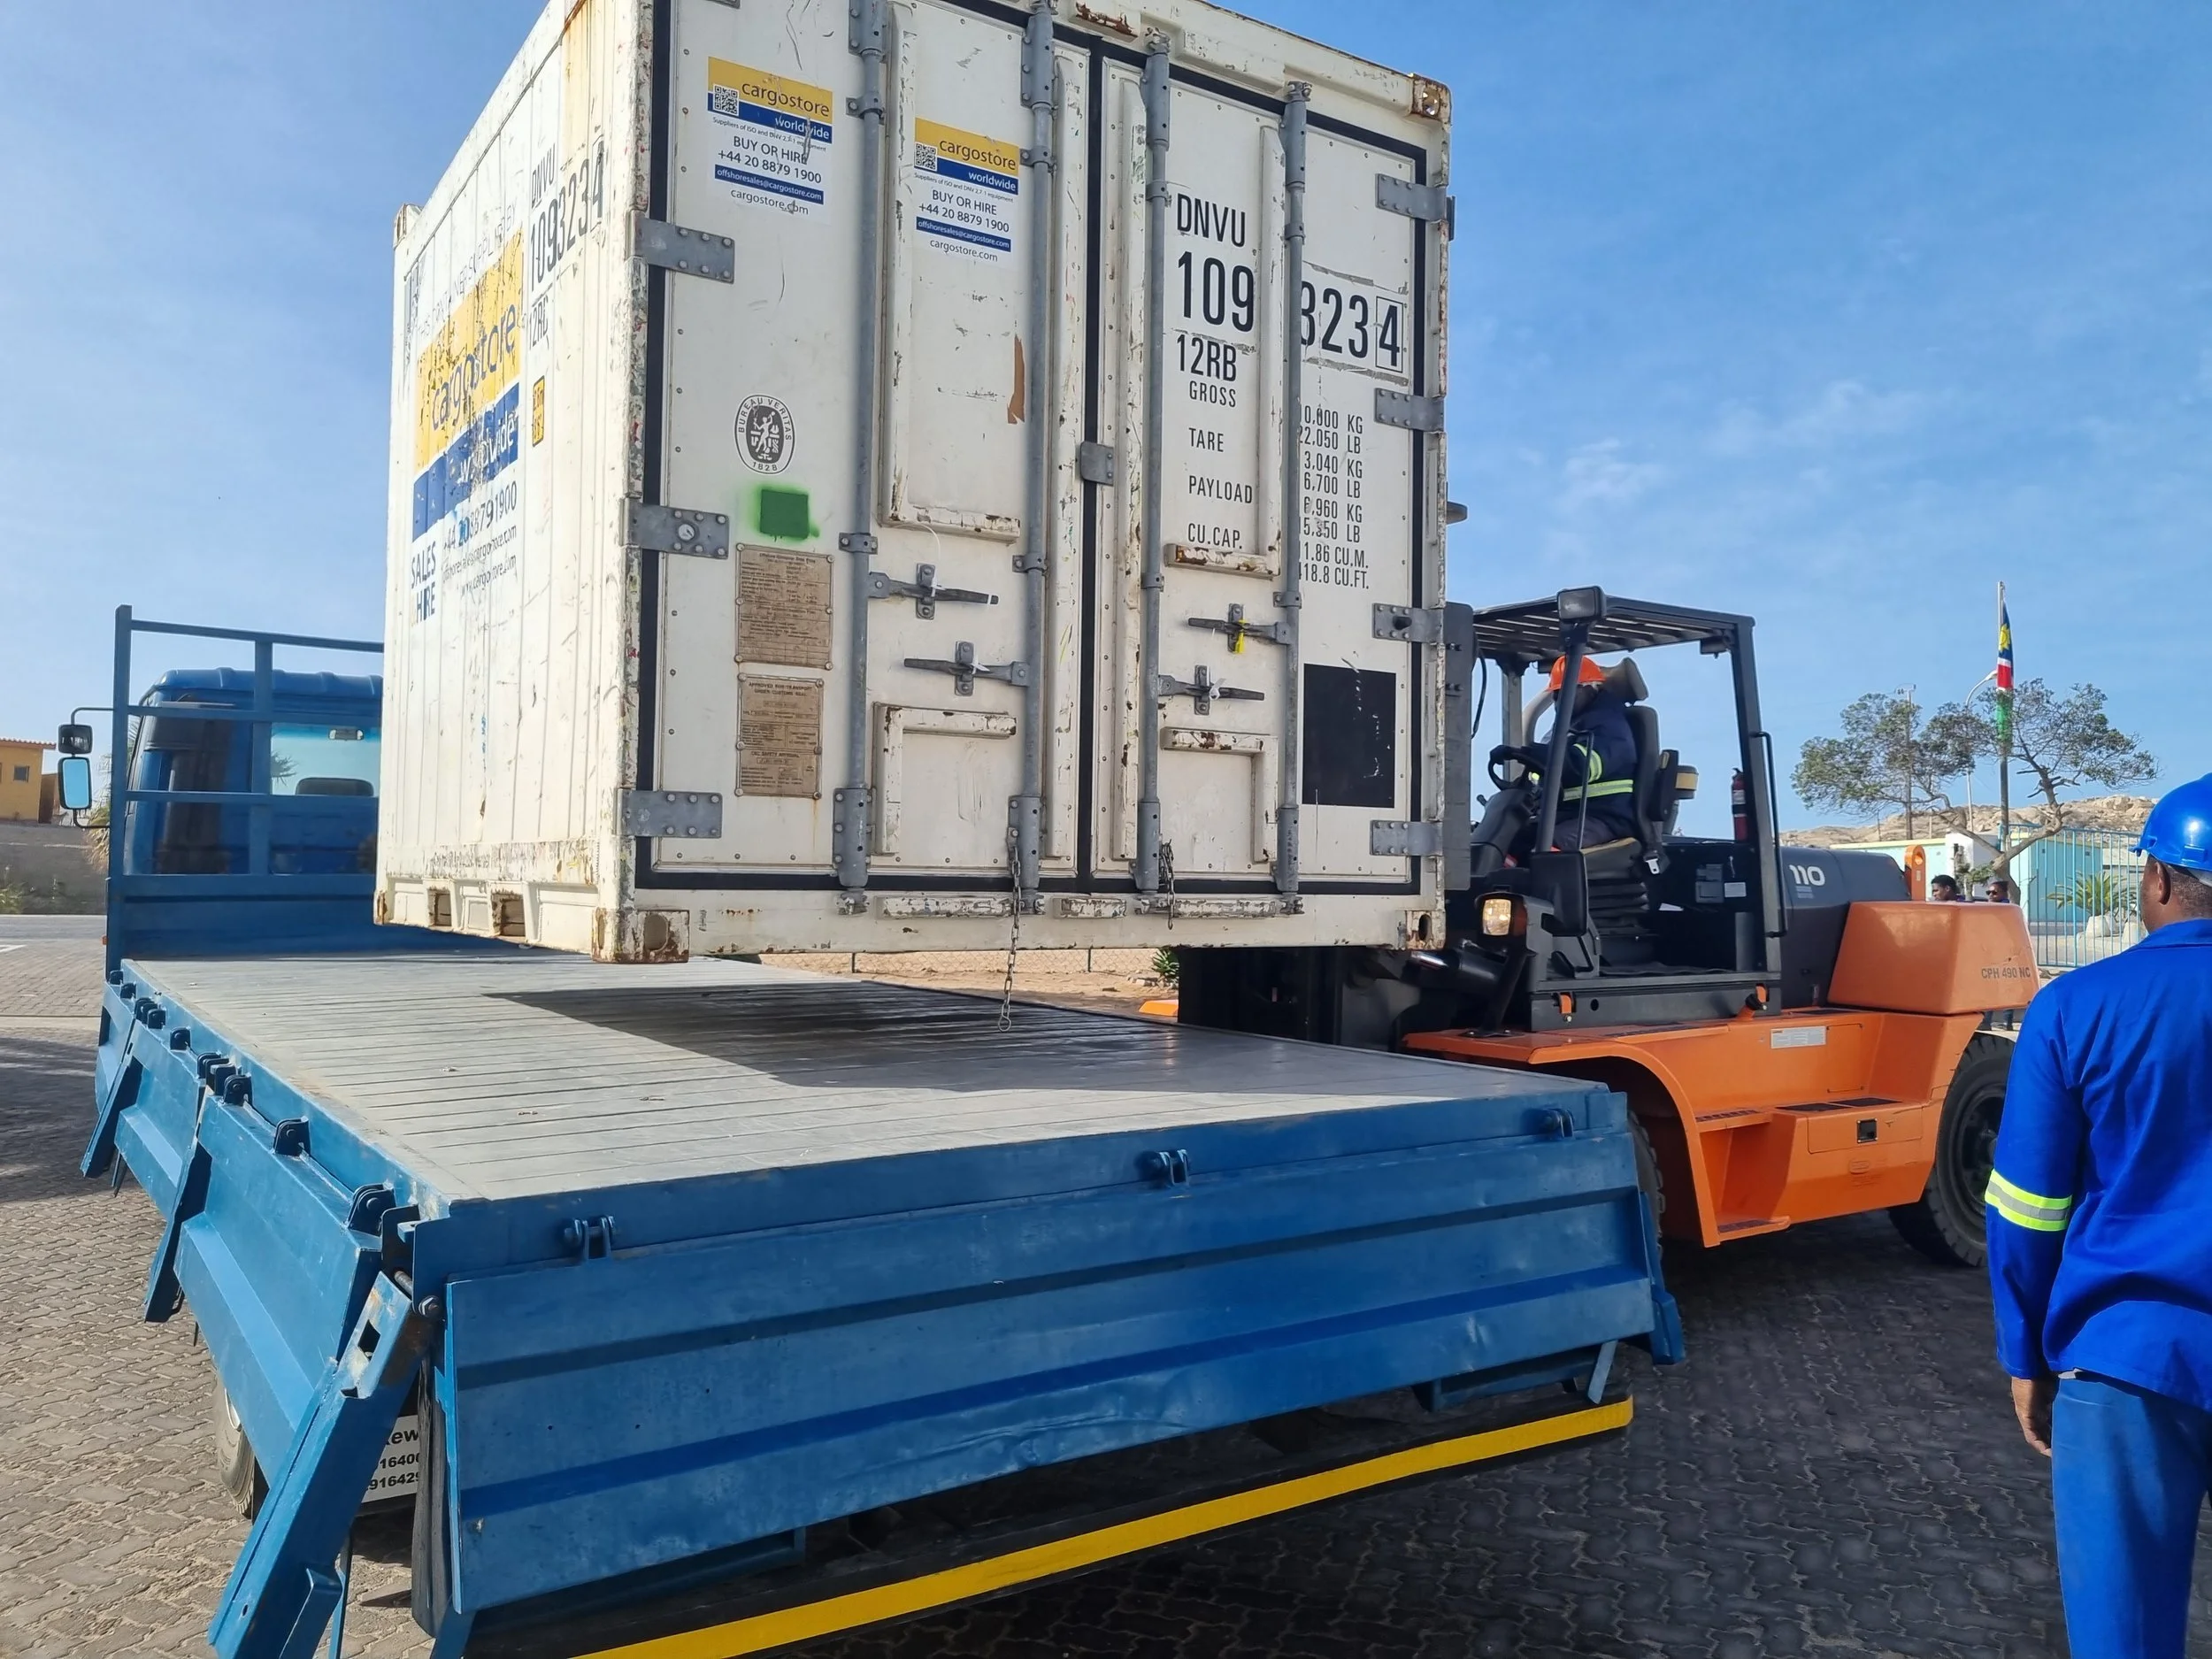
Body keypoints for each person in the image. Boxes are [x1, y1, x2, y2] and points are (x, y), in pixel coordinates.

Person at [1986, 772, 2212, 1659]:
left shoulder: (2072, 1009)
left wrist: (2023, 1352)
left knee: (2123, 1638)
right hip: (2132, 1363)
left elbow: (2026, 1211)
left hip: (2124, 1370)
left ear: (2156, 880)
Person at [1533, 657, 1640, 850]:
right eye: (1556, 694)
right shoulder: (1566, 725)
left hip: (1604, 817)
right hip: (1567, 814)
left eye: (1564, 693)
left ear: (1589, 688)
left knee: (1547, 848)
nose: (1558, 701)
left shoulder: (1609, 724)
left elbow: (1584, 766)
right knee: (1514, 839)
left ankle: (1552, 881)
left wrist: (1542, 756)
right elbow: (1539, 768)